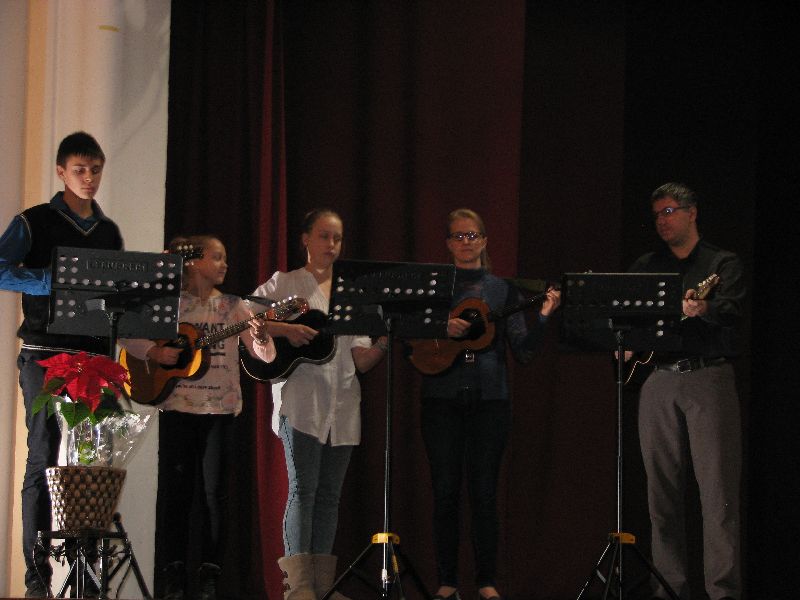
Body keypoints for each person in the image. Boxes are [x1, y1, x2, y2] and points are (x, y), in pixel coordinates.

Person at [119, 235, 276, 600]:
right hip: (178, 409)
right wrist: (155, 352)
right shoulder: (170, 306)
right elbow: (125, 332)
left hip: (219, 413)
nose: (224, 264)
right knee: (176, 492)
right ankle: (173, 573)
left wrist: (262, 335)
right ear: (193, 262)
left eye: (225, 258)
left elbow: (265, 357)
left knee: (213, 494)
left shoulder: (235, 307)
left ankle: (210, 573)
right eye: (217, 257)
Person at [0, 132, 123, 598]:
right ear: (61, 172)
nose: (89, 178)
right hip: (44, 354)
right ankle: (37, 578)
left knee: (92, 460)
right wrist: (48, 281)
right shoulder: (33, 222)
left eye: (95, 170)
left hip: (94, 356)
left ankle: (87, 573)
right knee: (43, 455)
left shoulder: (108, 231)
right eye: (79, 170)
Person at [417, 208, 560, 600]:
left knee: (484, 493)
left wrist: (544, 317)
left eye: (473, 235)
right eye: (458, 236)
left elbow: (523, 351)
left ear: (484, 241)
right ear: (448, 244)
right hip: (441, 400)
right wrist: (441, 326)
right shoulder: (435, 289)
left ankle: (486, 582)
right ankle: (447, 582)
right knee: (445, 491)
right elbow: (411, 339)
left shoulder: (502, 290)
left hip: (490, 402)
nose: (466, 243)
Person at [250, 208, 387, 600]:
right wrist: (286, 329)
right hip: (303, 403)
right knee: (303, 489)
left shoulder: (351, 293)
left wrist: (385, 339)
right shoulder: (286, 282)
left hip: (342, 404)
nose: (331, 244)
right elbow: (248, 317)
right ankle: (298, 587)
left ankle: (323, 587)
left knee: (328, 496)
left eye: (337, 238)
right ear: (306, 239)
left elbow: (361, 360)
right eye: (324, 236)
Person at [628, 182, 745, 600]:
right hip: (659, 379)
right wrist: (627, 343)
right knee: (661, 496)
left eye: (670, 211)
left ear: (692, 213)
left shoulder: (721, 262)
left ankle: (722, 592)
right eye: (657, 214)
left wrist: (704, 308)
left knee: (717, 495)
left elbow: (732, 311)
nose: (662, 221)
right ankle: (669, 589)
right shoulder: (647, 266)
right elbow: (629, 315)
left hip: (706, 377)